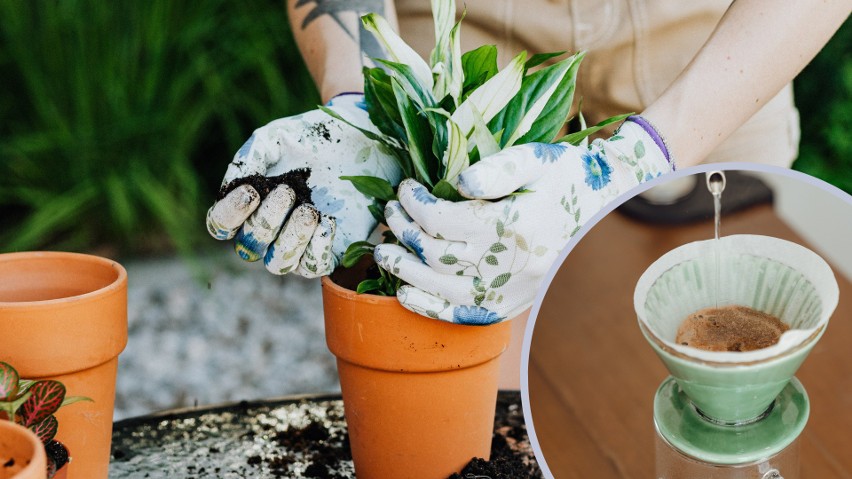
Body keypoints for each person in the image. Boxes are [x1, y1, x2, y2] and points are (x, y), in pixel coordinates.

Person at [206, 0, 849, 383]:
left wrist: (642, 155)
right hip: (462, 40)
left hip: (716, 45)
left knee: (723, 372)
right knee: (472, 405)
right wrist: (358, 96)